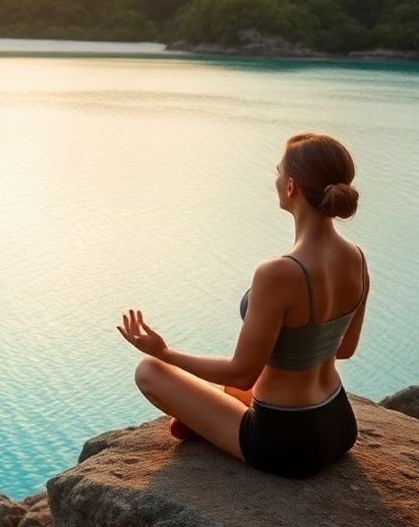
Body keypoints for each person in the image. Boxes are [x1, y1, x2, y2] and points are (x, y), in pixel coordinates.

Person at [115, 132, 369, 478]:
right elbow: (346, 349)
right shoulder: (355, 257)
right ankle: (211, 417)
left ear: (291, 186)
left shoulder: (279, 272)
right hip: (338, 423)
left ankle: (205, 422)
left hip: (284, 440)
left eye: (279, 173)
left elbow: (241, 371)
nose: (276, 180)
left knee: (149, 371)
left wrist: (164, 352)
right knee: (236, 390)